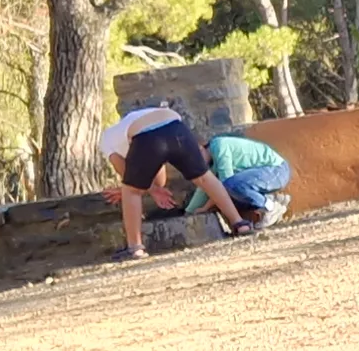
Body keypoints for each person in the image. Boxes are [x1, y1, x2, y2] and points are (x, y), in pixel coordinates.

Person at [96, 104, 255, 259]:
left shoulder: (107, 140)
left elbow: (125, 175)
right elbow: (159, 176)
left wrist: (142, 189)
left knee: (131, 191)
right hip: (177, 127)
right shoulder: (129, 127)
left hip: (147, 135)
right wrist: (155, 189)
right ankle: (240, 224)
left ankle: (135, 248)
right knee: (204, 177)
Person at [150, 130, 294, 229]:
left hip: (276, 170)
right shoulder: (212, 161)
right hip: (267, 176)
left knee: (232, 186)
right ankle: (274, 200)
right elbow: (205, 188)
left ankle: (271, 207)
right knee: (235, 196)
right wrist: (189, 212)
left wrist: (205, 208)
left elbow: (223, 187)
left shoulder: (219, 146)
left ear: (200, 148)